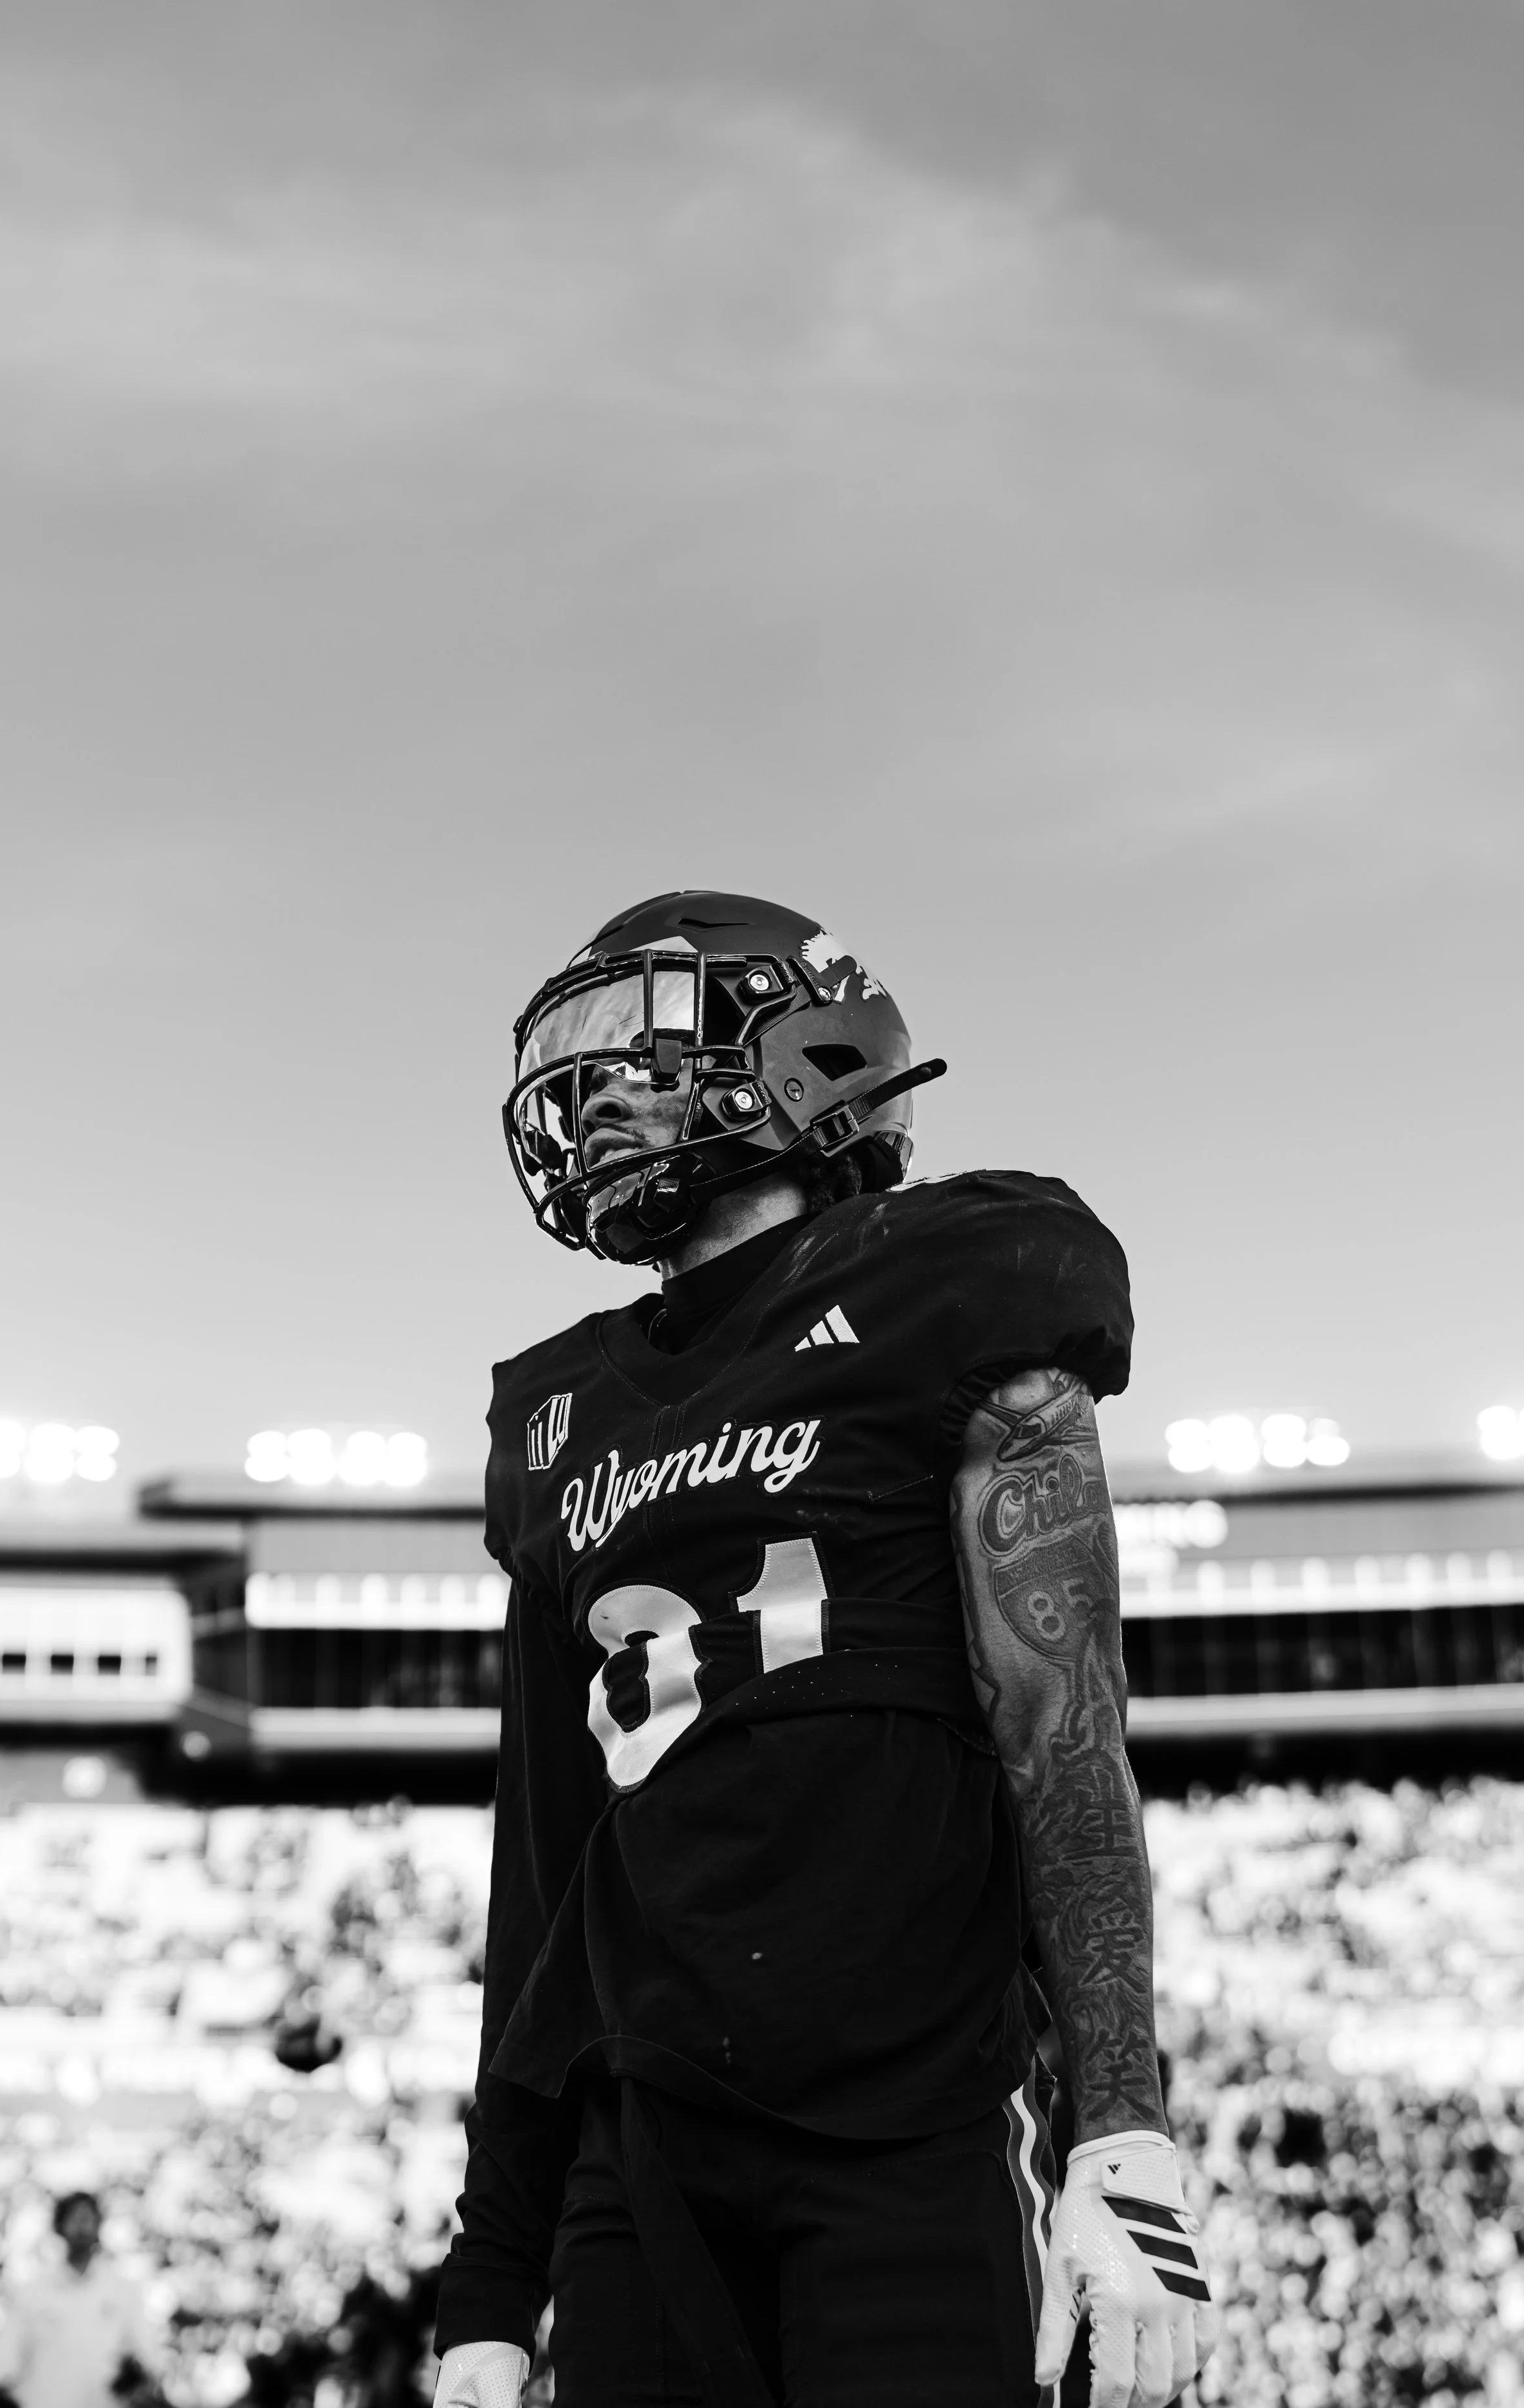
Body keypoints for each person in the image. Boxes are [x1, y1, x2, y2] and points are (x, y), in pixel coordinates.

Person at [433, 892, 1217, 2408]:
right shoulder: (555, 1414)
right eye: (574, 1064)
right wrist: (493, 2268)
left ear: (804, 1049)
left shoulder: (956, 1278)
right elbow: (543, 1859)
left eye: (632, 1051)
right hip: (635, 2140)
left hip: (904, 2117)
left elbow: (1061, 1720)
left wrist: (1115, 2126)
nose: (589, 1100)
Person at [0, 2190, 159, 2408]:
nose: (82, 2225)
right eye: (75, 2217)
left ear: (99, 2225)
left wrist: (139, 2375)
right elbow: (7, 2351)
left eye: (88, 2217)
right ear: (59, 2226)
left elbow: (144, 2351)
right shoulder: (32, 2292)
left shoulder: (122, 2290)